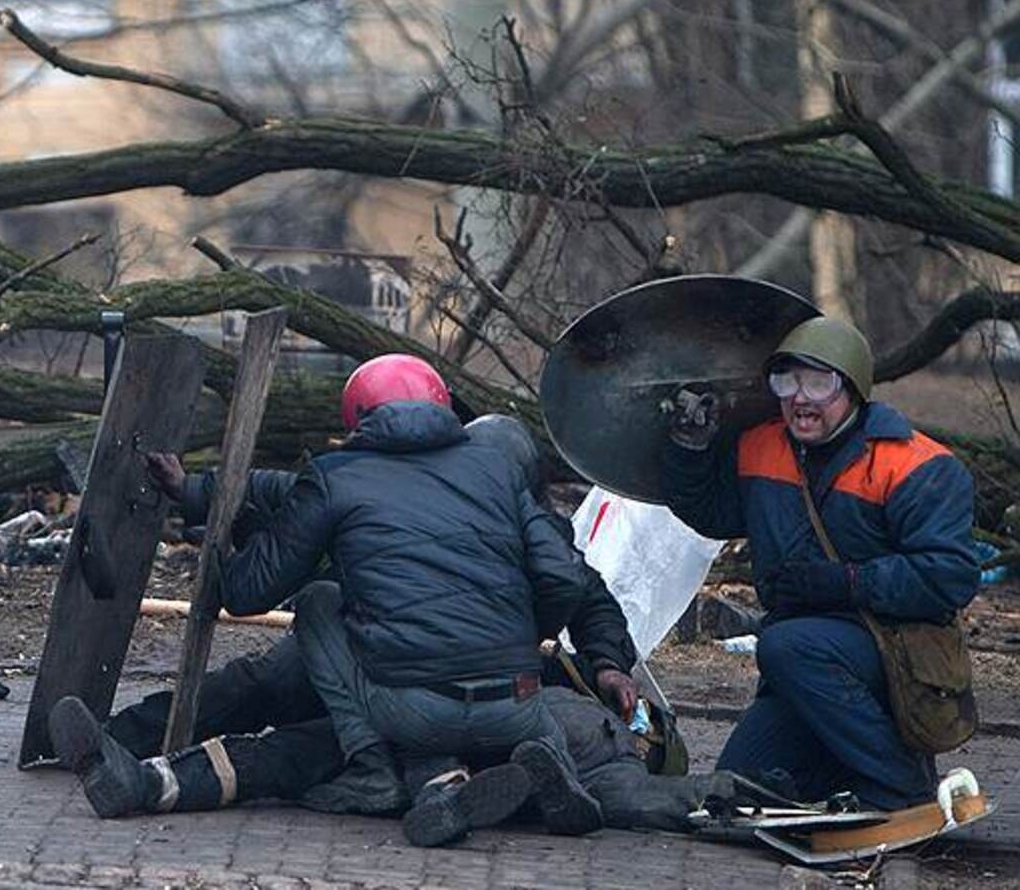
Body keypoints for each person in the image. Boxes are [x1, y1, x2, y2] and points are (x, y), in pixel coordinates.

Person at [54, 415, 747, 836]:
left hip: (411, 688)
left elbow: (585, 593)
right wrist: (199, 489)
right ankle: (130, 750)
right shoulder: (419, 490)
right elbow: (287, 492)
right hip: (389, 670)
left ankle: (145, 778)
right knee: (261, 689)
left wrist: (607, 662)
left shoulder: (520, 521)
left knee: (297, 740)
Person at [57, 355, 596, 847]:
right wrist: (523, 640)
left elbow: (248, 593)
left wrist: (220, 548)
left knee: (317, 603)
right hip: (521, 706)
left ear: (357, 418)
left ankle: (370, 766)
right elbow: (566, 579)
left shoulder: (339, 477)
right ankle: (518, 778)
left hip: (411, 706)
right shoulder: (497, 473)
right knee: (470, 732)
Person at [661, 316, 979, 811]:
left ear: (851, 388)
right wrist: (689, 449)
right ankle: (841, 778)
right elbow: (712, 513)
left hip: (897, 652)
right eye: (786, 382)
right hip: (803, 662)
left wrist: (847, 581)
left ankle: (904, 789)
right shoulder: (761, 446)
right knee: (741, 788)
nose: (800, 398)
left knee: (787, 645)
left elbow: (949, 579)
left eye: (819, 383)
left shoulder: (917, 465)